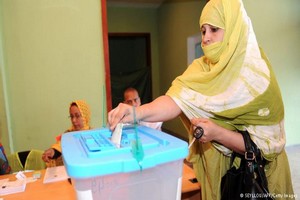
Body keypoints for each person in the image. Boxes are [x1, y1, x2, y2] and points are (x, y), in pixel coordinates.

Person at [108, 0, 294, 199]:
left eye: (214, 29)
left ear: (234, 29)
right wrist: (137, 112)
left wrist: (218, 133)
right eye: (203, 31)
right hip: (221, 173)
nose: (206, 38)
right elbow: (175, 100)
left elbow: (266, 147)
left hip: (258, 177)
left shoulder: (258, 79)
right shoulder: (201, 68)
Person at [42, 100, 91, 167]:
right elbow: (60, 146)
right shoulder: (68, 134)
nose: (73, 120)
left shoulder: (93, 135)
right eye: (71, 116)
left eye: (77, 116)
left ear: (85, 116)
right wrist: (53, 152)